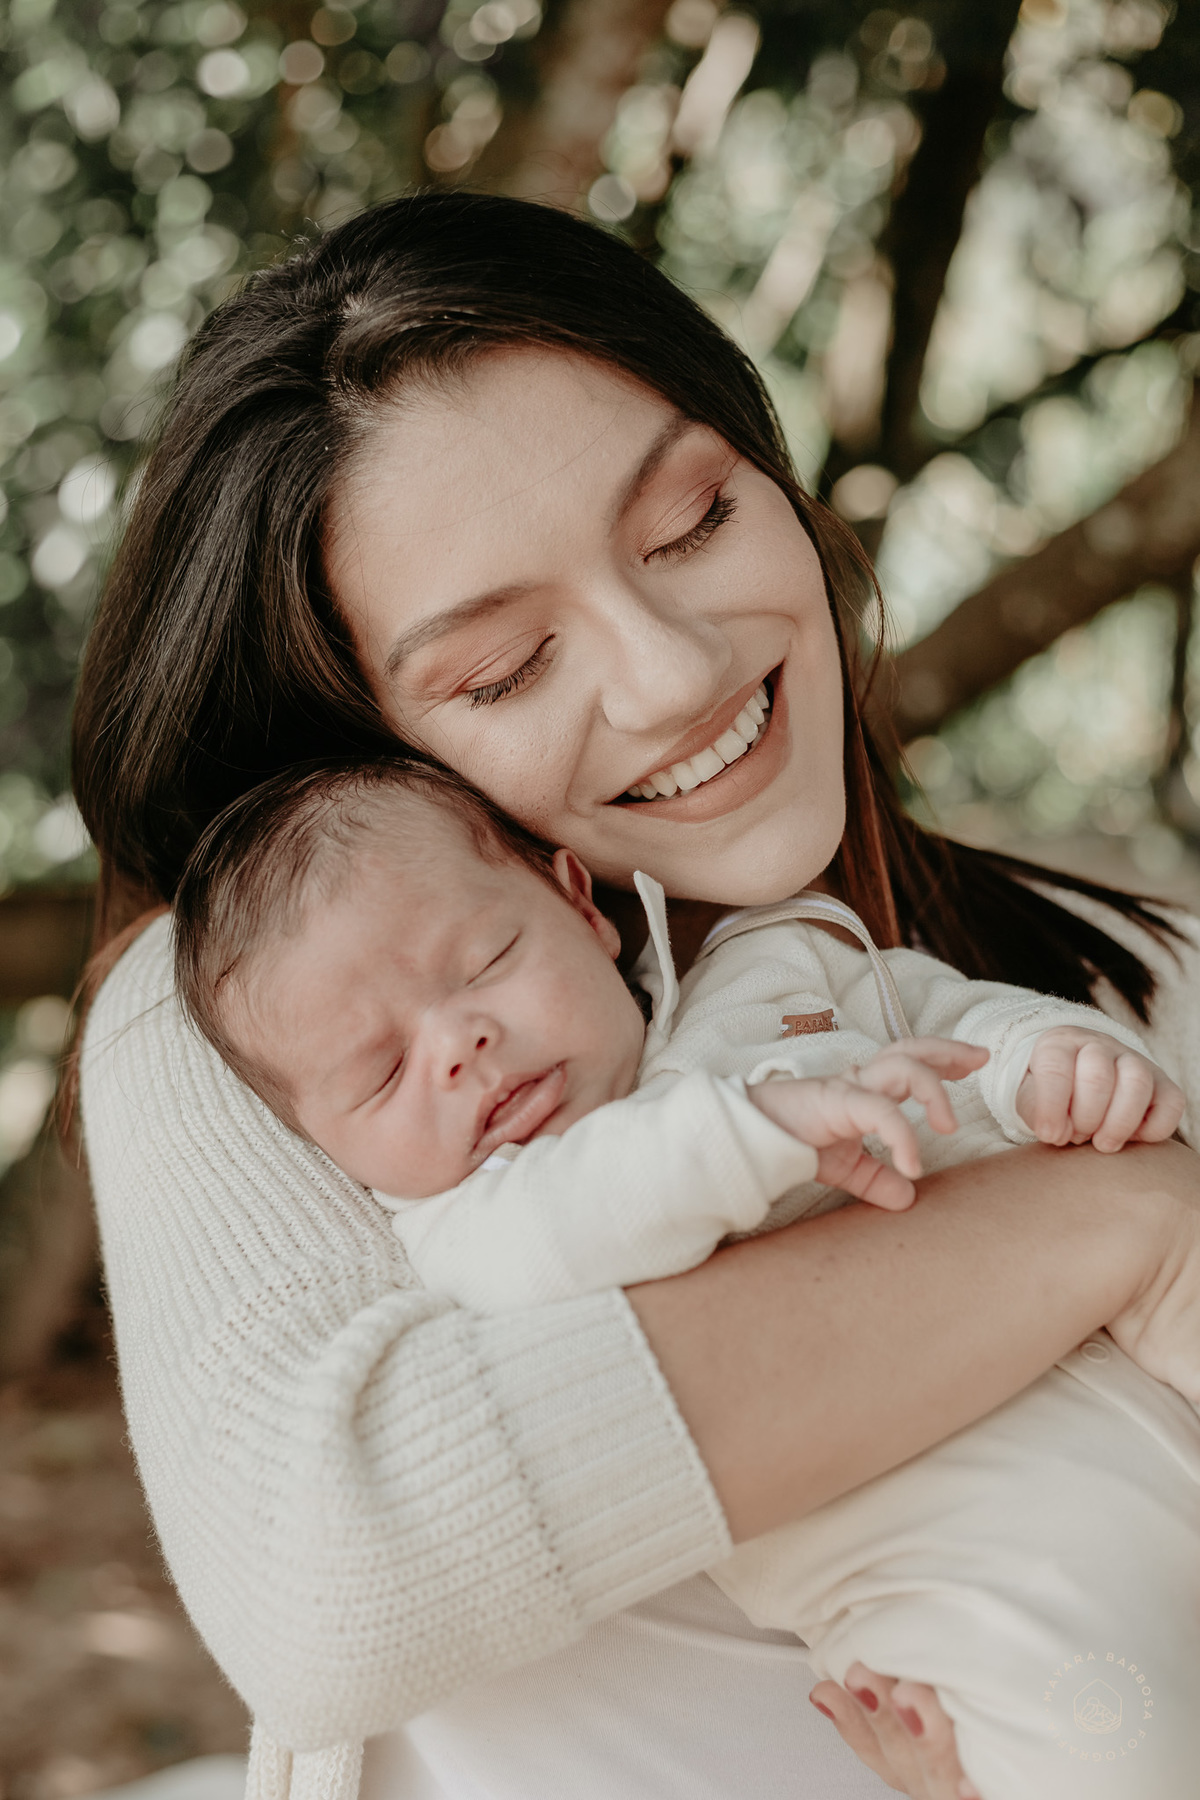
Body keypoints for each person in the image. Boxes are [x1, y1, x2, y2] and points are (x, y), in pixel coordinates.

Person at [73, 192, 1200, 1800]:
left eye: (689, 524)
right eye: (502, 670)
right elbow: (340, 1575)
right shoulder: (261, 1038)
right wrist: (1127, 1227)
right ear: (363, 751)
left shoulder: (1149, 972)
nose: (673, 671)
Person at [167, 752, 1196, 1799]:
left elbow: (952, 1016)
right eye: (381, 1072)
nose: (458, 1044)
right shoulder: (474, 1227)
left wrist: (1050, 1059)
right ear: (319, 1148)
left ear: (579, 902)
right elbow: (576, 1230)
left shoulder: (778, 968)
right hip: (989, 1586)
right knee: (1123, 1752)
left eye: (483, 963)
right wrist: (755, 1125)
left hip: (1156, 1393)